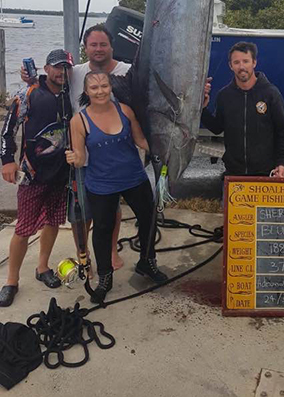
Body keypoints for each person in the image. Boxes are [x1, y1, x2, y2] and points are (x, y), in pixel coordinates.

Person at [21, 23, 129, 270]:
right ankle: (84, 256)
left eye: (103, 44)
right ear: (85, 48)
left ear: (112, 46)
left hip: (114, 158)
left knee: (112, 209)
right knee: (81, 214)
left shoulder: (127, 71)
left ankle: (111, 252)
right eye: (93, 45)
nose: (99, 49)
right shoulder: (74, 72)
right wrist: (29, 79)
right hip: (79, 156)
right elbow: (49, 81)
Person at [65, 71, 167, 303]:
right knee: (102, 229)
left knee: (149, 219)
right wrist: (73, 158)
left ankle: (147, 262)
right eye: (94, 88)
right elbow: (81, 158)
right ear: (86, 92)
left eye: (104, 86)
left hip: (133, 177)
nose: (100, 91)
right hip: (101, 183)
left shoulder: (125, 111)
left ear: (111, 88)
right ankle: (105, 277)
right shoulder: (78, 121)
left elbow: (141, 141)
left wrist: (163, 149)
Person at [0, 49, 74, 307]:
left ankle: (42, 267)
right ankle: (11, 281)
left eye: (66, 68)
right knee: (23, 229)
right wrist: (7, 160)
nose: (61, 72)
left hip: (61, 173)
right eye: (56, 67)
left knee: (53, 222)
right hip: (32, 174)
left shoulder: (71, 96)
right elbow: (7, 131)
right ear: (45, 68)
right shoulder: (29, 93)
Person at [201, 41, 284, 178]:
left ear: (254, 63)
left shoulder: (270, 94)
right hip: (233, 174)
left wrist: (282, 163)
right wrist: (202, 109)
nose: (242, 66)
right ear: (230, 66)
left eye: (246, 61)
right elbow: (217, 128)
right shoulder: (224, 95)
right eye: (236, 62)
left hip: (264, 173)